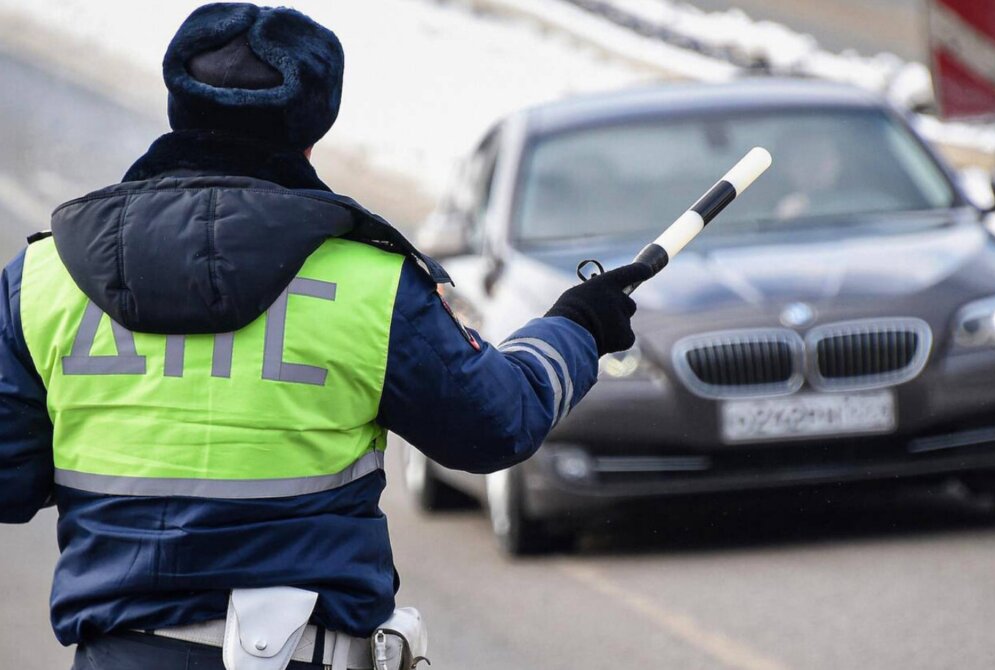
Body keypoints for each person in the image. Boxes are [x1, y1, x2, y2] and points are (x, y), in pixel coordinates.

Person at [0, 4, 650, 669]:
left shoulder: (42, 279)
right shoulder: (368, 283)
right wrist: (576, 327)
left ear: (178, 107)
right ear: (312, 129)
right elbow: (493, 425)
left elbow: (8, 480)